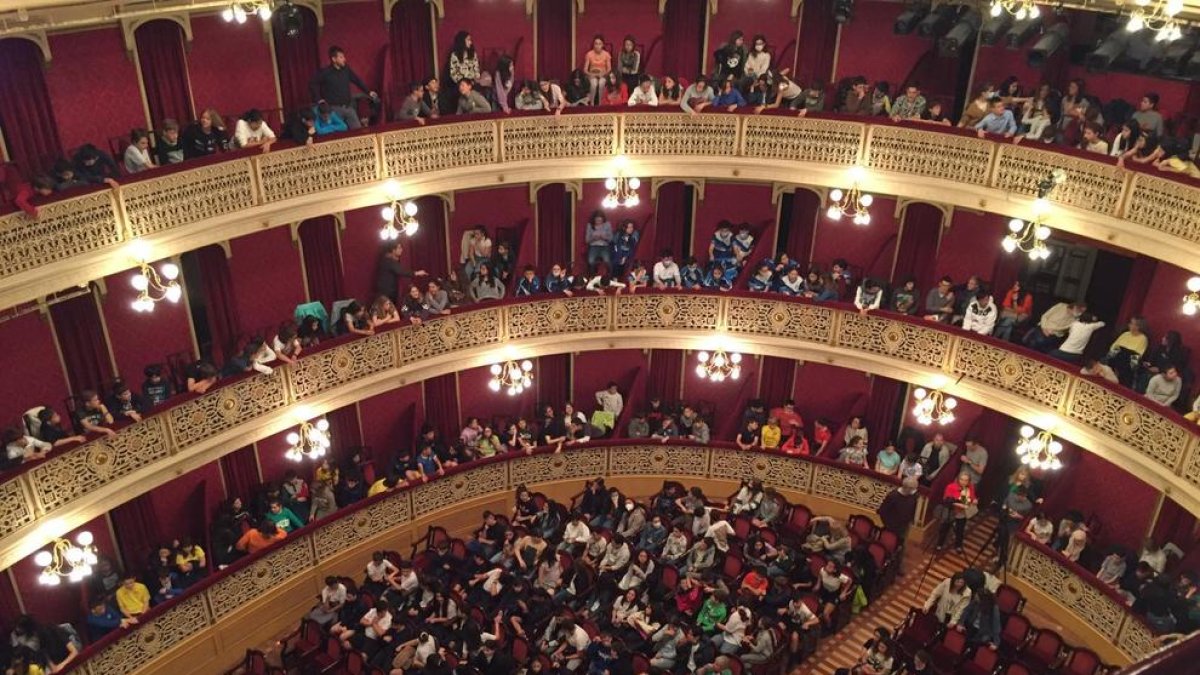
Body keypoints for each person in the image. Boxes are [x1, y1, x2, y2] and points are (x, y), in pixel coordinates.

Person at [309, 46, 377, 129]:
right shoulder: (325, 72)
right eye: (341, 57)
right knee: (340, 132)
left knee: (358, 132)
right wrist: (318, 98)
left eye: (343, 57)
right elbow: (312, 83)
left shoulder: (346, 70)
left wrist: (368, 91)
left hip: (348, 107)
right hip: (334, 109)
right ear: (334, 59)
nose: (344, 59)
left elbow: (357, 80)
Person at [936, 473, 977, 554]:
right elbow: (946, 499)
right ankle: (939, 544)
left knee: (960, 530)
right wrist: (960, 505)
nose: (963, 482)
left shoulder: (970, 488)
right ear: (958, 479)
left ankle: (958, 546)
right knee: (944, 528)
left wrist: (974, 500)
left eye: (966, 480)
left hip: (962, 513)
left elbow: (972, 497)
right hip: (951, 511)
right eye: (962, 479)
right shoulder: (951, 487)